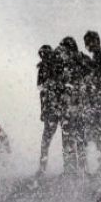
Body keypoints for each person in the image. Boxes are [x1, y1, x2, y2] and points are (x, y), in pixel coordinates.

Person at [57, 37, 90, 175]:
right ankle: (75, 169)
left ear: (69, 50)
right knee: (76, 138)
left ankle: (75, 169)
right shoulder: (81, 61)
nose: (61, 53)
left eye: (64, 50)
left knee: (75, 138)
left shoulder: (78, 63)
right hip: (72, 106)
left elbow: (88, 84)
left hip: (76, 106)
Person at [83, 31, 101, 167]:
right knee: (97, 134)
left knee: (97, 134)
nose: (88, 45)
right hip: (98, 102)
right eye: (87, 43)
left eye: (90, 42)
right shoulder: (99, 56)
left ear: (97, 41)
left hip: (100, 102)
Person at [36, 44, 64, 175]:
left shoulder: (60, 65)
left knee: (67, 140)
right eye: (42, 56)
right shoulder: (42, 68)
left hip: (62, 106)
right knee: (46, 140)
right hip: (51, 108)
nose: (44, 58)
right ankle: (42, 167)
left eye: (46, 55)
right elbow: (41, 91)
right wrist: (43, 110)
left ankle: (72, 169)